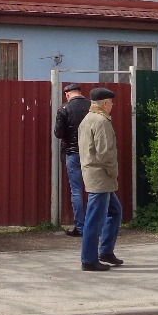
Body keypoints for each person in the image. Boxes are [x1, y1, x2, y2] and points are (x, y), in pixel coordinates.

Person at [78, 86, 123, 271]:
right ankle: (89, 259)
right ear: (104, 103)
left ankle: (105, 251)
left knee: (114, 211)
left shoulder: (87, 119)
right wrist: (113, 171)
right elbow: (105, 153)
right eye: (111, 102)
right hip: (101, 175)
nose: (112, 105)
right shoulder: (101, 121)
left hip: (93, 172)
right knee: (95, 218)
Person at [53, 83, 90, 237]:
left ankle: (80, 227)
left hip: (73, 153)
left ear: (67, 94)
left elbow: (58, 133)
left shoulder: (64, 108)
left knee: (76, 191)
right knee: (95, 189)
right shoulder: (92, 106)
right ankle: (95, 226)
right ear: (80, 92)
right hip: (91, 153)